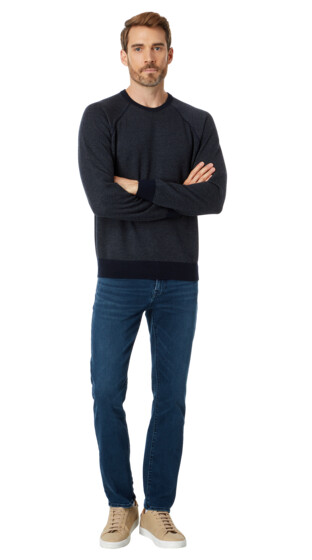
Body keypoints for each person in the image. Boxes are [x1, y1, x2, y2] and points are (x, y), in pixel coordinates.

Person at [77, 11, 227, 549]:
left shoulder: (197, 122)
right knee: (105, 391)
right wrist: (177, 195)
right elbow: (102, 200)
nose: (148, 58)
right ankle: (121, 504)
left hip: (179, 281)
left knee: (171, 397)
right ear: (124, 56)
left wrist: (138, 185)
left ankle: (157, 508)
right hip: (118, 277)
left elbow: (213, 198)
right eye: (138, 48)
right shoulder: (100, 118)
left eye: (157, 48)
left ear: (171, 55)